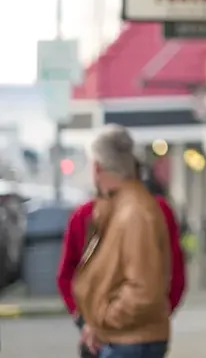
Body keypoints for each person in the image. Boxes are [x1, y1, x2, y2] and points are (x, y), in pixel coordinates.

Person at [58, 151, 187, 358]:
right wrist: (158, 315)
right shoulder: (158, 211)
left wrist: (88, 322)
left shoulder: (84, 215)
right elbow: (176, 277)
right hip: (145, 335)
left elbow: (67, 276)